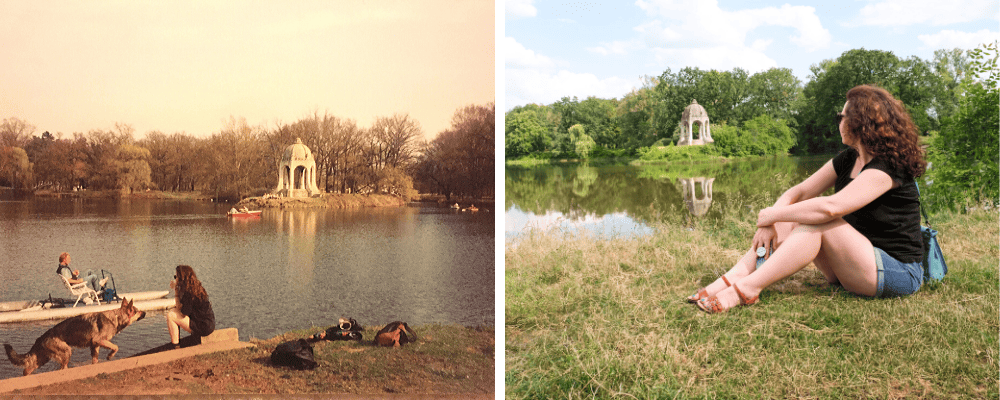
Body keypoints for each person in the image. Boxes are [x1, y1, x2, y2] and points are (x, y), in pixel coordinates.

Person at [690, 85, 926, 313]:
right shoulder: (848, 159)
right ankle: (733, 277)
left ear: (860, 123)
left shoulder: (888, 168)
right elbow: (798, 193)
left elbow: (831, 208)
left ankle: (746, 289)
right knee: (795, 214)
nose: (839, 122)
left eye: (841, 117)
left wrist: (771, 214)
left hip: (898, 273)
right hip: (853, 264)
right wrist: (770, 222)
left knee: (820, 222)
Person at [166, 265, 215, 348]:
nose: (175, 279)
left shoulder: (188, 293)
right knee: (174, 311)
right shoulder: (196, 288)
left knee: (171, 315)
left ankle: (175, 346)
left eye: (176, 277)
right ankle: (176, 343)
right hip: (209, 324)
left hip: (203, 327)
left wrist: (176, 291)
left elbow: (184, 312)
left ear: (181, 278)